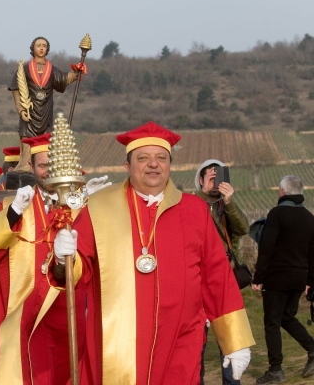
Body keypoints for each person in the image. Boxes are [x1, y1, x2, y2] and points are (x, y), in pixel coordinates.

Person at [54, 121, 255, 384]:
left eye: (161, 157)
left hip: (179, 341)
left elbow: (217, 276)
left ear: (169, 165)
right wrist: (62, 259)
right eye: (143, 158)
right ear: (127, 166)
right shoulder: (99, 207)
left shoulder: (194, 210)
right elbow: (78, 273)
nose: (153, 164)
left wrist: (235, 339)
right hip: (117, 342)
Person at [0, 133, 89, 384]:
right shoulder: (15, 205)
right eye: (43, 165)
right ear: (32, 168)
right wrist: (13, 212)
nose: (48, 171)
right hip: (23, 308)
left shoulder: (82, 206)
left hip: (66, 310)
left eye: (53, 164)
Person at [252, 175, 314, 383]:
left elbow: (266, 248)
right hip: (299, 277)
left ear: (282, 192)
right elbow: (313, 253)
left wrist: (258, 277)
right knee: (287, 317)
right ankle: (313, 349)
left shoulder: (277, 214)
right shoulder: (309, 217)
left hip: (276, 277)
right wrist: (310, 280)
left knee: (272, 322)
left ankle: (276, 369)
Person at [195, 159, 249, 385]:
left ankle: (231, 381)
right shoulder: (191, 203)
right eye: (210, 177)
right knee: (197, 338)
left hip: (223, 280)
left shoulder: (224, 207)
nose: (215, 182)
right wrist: (203, 195)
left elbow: (243, 229)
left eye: (219, 177)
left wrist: (228, 202)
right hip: (197, 281)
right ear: (200, 180)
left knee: (228, 337)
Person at [8, 36, 82, 171]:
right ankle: (25, 164)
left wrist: (76, 72)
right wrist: (20, 109)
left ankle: (43, 166)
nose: (41, 48)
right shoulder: (24, 69)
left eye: (44, 46)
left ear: (47, 49)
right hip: (29, 111)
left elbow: (64, 79)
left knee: (45, 139)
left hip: (46, 111)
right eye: (38, 45)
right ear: (33, 48)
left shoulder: (51, 69)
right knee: (26, 135)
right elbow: (16, 89)